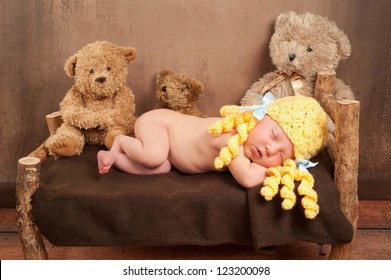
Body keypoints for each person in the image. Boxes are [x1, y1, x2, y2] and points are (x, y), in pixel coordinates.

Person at [97, 93, 328, 189]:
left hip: (172, 156)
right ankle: (120, 141)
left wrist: (283, 164)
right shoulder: (231, 139)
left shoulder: (250, 147)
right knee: (154, 155)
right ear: (259, 117)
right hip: (160, 125)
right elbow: (248, 179)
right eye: (274, 136)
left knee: (160, 166)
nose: (269, 149)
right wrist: (277, 168)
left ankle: (115, 158)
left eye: (280, 155)